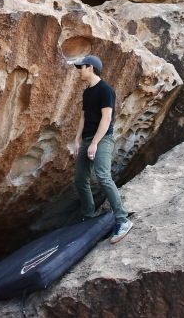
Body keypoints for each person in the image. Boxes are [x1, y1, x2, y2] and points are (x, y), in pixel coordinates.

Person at [72, 54, 133, 243]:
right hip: (87, 139)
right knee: (80, 179)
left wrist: (95, 143)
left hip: (103, 139)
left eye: (81, 67)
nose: (79, 71)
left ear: (90, 67)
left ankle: (122, 220)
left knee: (103, 175)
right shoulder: (87, 92)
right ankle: (88, 217)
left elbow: (106, 119)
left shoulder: (106, 90)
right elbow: (83, 117)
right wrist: (77, 140)